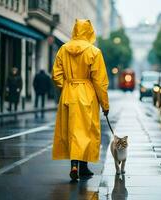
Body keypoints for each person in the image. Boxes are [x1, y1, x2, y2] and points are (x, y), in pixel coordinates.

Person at [52, 19, 109, 181]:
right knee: (86, 131)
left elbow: (56, 75)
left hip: (69, 93)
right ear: (89, 31)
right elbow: (100, 81)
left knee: (72, 130)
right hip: (87, 95)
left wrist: (66, 86)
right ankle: (80, 166)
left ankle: (79, 166)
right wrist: (105, 104)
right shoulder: (94, 52)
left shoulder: (63, 49)